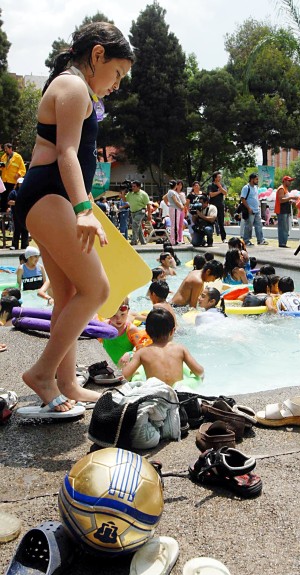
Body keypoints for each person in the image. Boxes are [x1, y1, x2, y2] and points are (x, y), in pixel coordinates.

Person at [13, 22, 134, 411]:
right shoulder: (73, 86)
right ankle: (42, 373)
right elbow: (66, 151)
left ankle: (65, 382)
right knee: (96, 289)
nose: (117, 84)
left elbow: (75, 158)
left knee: (66, 294)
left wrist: (84, 204)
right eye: (117, 73)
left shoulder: (75, 87)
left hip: (52, 197)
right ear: (98, 55)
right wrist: (83, 210)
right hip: (48, 195)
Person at [121, 308, 204, 385]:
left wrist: (126, 366)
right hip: (179, 392)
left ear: (147, 332)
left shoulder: (142, 353)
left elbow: (125, 376)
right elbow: (199, 371)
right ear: (172, 331)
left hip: (156, 392)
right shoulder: (180, 349)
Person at [99, 299, 148, 365]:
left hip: (125, 367)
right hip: (108, 365)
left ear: (128, 312)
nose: (118, 319)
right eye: (114, 315)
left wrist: (130, 354)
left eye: (122, 314)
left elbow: (142, 351)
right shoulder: (105, 326)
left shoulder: (131, 330)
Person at [240, 173, 267, 247]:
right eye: (256, 179)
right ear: (252, 179)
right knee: (248, 226)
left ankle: (260, 240)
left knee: (259, 225)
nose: (257, 181)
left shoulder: (255, 188)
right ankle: (246, 240)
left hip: (256, 210)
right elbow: (242, 198)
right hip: (250, 210)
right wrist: (248, 208)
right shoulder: (246, 187)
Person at [0, 143, 26, 213]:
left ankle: (10, 213)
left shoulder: (18, 157)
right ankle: (3, 212)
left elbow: (23, 169)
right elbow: (2, 168)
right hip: (4, 180)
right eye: (4, 149)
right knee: (3, 198)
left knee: (10, 198)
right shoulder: (4, 156)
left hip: (12, 181)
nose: (5, 150)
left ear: (10, 148)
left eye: (6, 149)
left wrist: (18, 174)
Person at [126, 180, 152, 245]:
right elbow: (124, 199)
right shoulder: (130, 193)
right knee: (138, 226)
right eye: (132, 186)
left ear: (138, 187)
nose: (132, 188)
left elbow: (148, 205)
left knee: (135, 224)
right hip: (133, 212)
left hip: (141, 211)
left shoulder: (143, 194)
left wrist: (149, 215)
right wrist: (123, 192)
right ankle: (143, 241)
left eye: (134, 186)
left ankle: (134, 240)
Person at [7, 178, 29, 250]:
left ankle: (25, 245)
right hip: (16, 214)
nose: (21, 184)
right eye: (20, 183)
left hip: (25, 214)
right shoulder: (13, 192)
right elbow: (9, 202)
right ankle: (14, 245)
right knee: (17, 229)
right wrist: (19, 203)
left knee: (25, 229)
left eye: (22, 183)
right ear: (18, 184)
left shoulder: (27, 192)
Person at [275, 175, 296, 248]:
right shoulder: (281, 188)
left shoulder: (286, 189)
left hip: (285, 210)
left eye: (291, 181)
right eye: (289, 181)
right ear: (284, 181)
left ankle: (284, 242)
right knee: (283, 227)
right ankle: (282, 243)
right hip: (281, 211)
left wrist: (289, 201)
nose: (290, 182)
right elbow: (281, 200)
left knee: (286, 228)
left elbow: (285, 199)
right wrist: (291, 197)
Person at [207, 171, 228, 242]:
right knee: (211, 221)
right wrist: (219, 191)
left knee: (221, 222)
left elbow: (225, 193)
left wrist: (220, 187)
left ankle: (223, 238)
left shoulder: (222, 185)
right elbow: (211, 194)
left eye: (220, 177)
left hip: (220, 205)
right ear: (215, 178)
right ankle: (210, 238)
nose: (220, 178)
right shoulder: (210, 185)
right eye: (218, 177)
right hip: (212, 205)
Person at [165, 180, 186, 245]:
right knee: (175, 225)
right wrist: (181, 206)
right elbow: (176, 201)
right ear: (176, 185)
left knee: (175, 225)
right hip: (175, 209)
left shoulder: (172, 192)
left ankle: (175, 240)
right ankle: (174, 240)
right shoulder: (172, 192)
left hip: (175, 209)